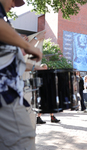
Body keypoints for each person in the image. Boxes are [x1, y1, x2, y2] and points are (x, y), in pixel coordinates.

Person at [0, 0, 42, 149]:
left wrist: (38, 68)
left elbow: (15, 64)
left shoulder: (5, 20)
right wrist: (27, 45)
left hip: (8, 94)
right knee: (24, 141)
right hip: (4, 95)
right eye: (13, 0)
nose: (14, 5)